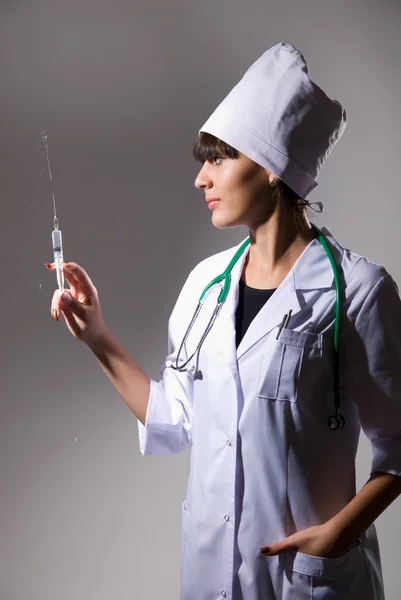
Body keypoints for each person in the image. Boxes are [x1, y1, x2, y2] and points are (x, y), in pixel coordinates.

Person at [45, 42, 401, 599]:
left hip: (306, 583)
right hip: (210, 576)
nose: (201, 180)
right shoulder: (206, 286)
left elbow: (398, 446)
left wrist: (338, 534)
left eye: (218, 159)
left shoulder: (357, 292)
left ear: (270, 166)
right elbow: (173, 416)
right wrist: (97, 334)